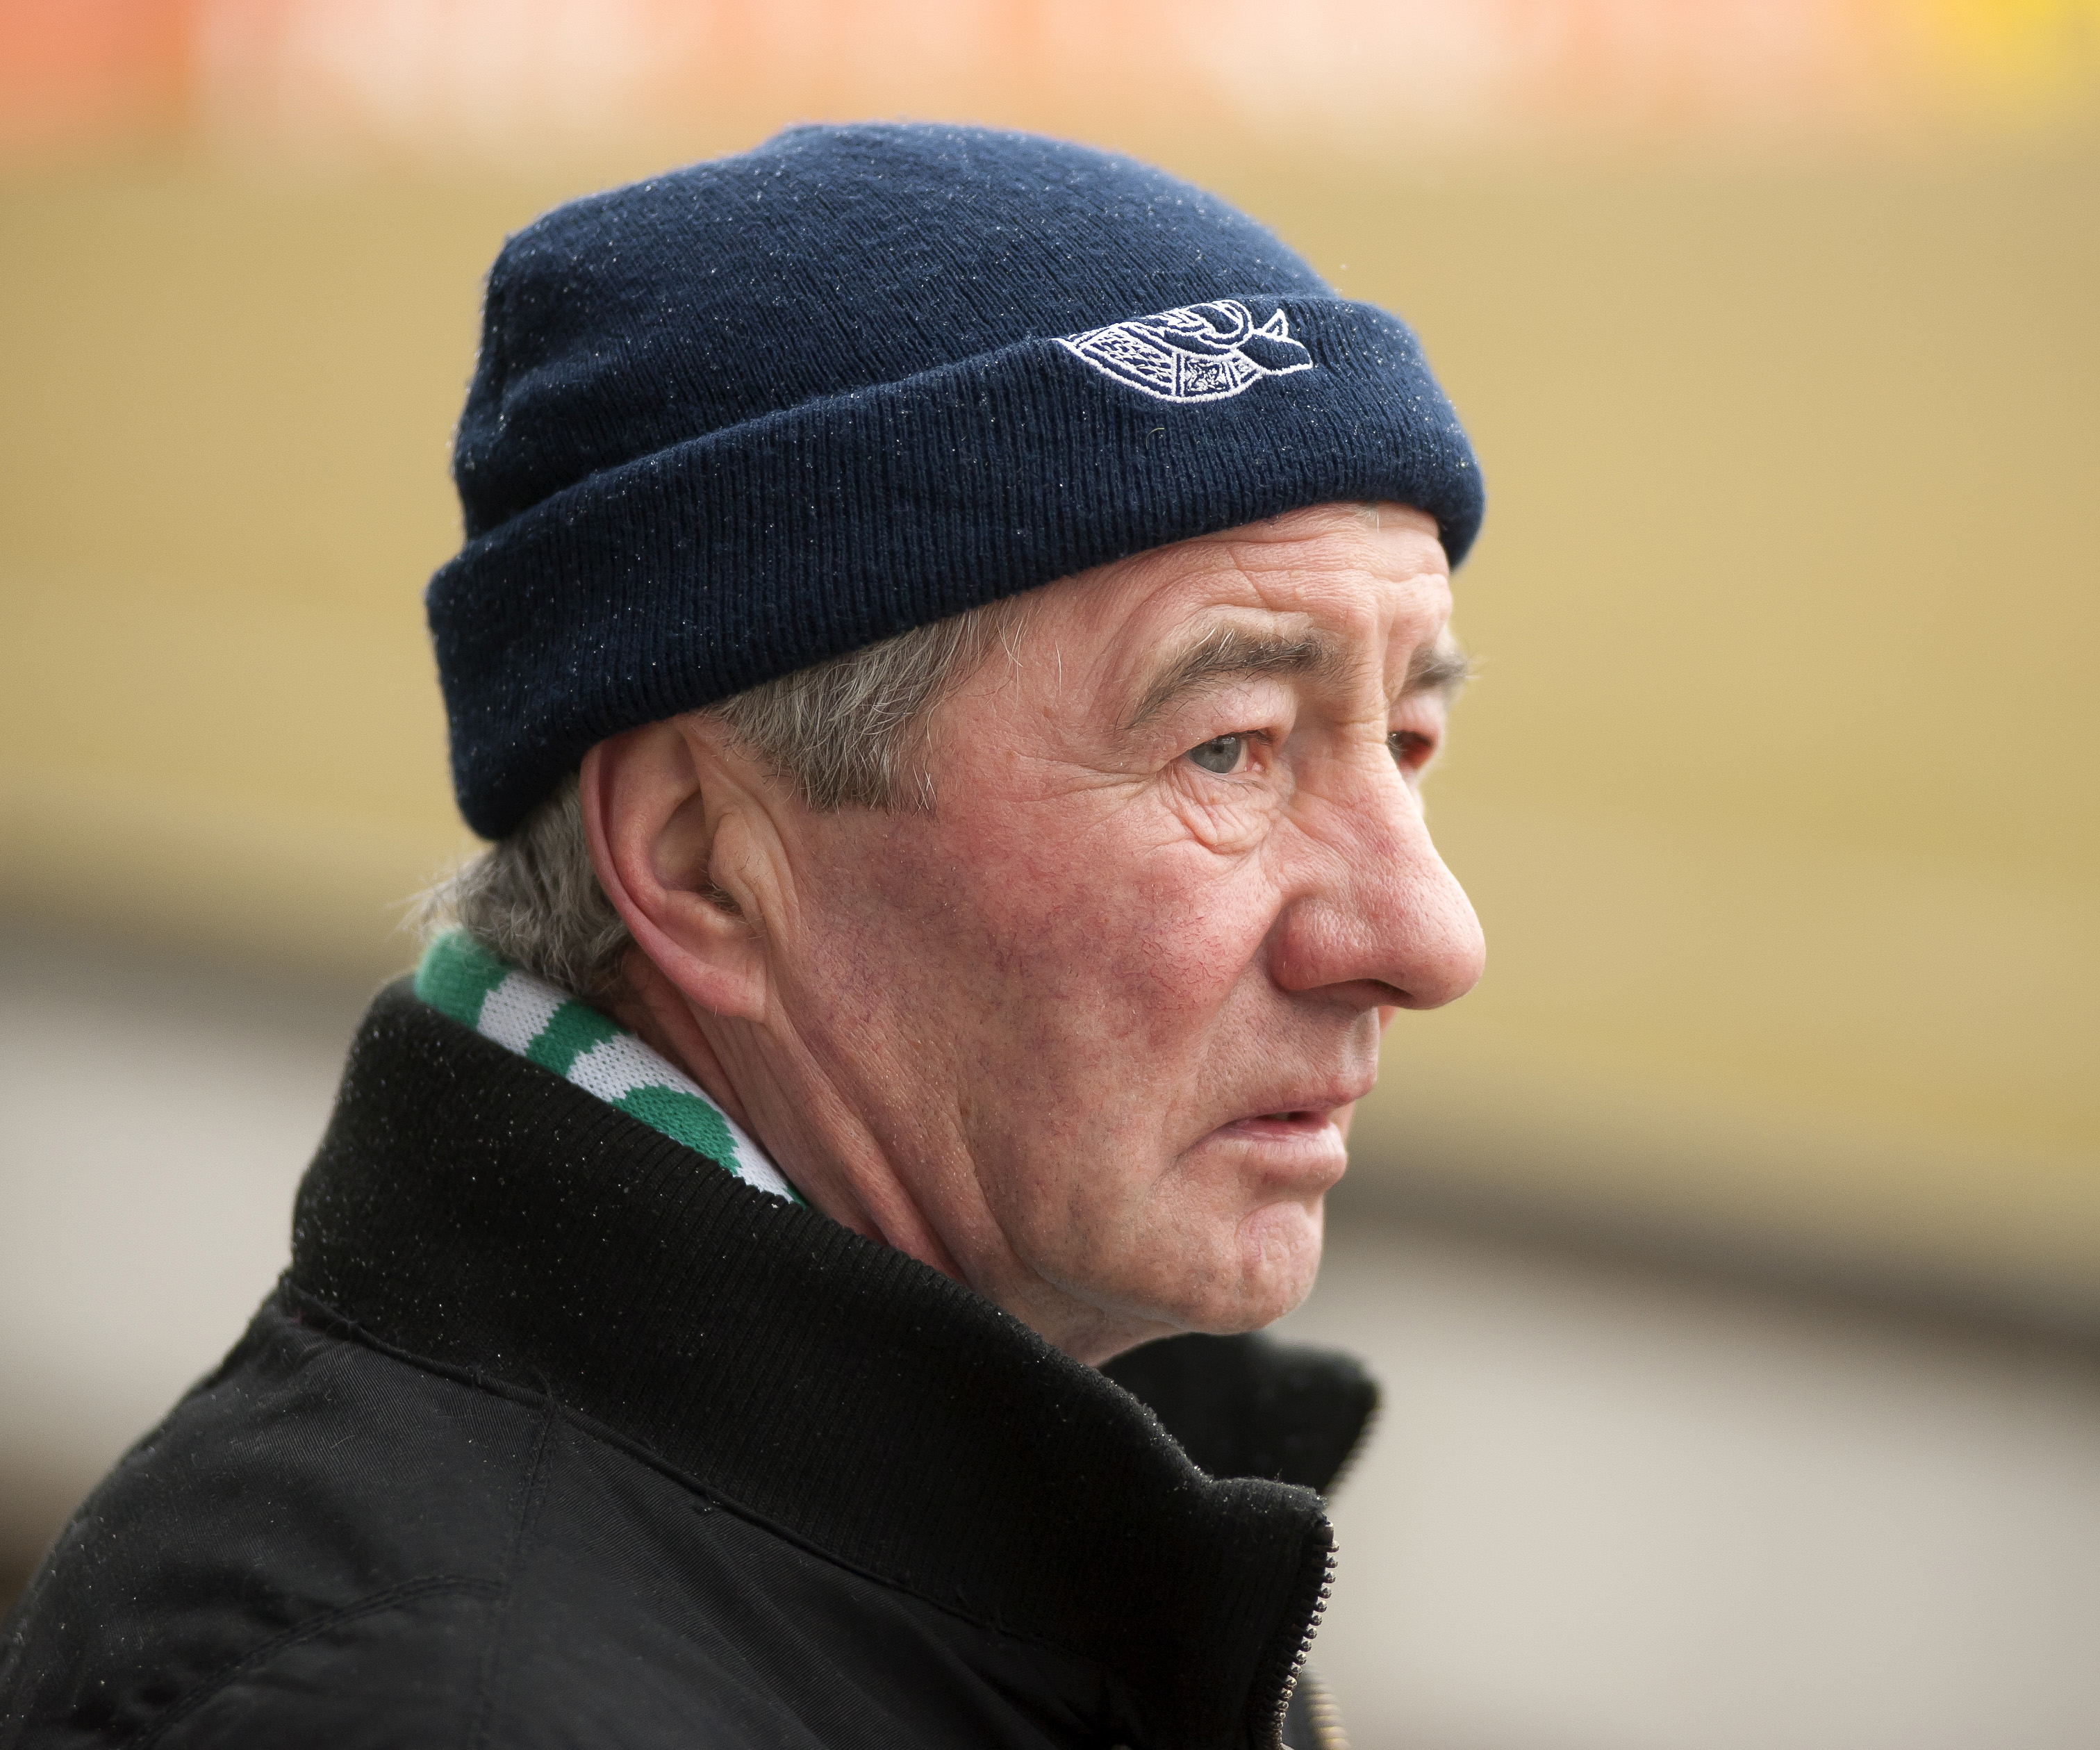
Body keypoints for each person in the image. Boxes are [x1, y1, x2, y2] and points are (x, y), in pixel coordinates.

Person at [0, 124, 1485, 1750]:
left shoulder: (1053, 1539)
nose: (1429, 937)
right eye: (1229, 749)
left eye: (1409, 739)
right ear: (703, 858)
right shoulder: (445, 1707)